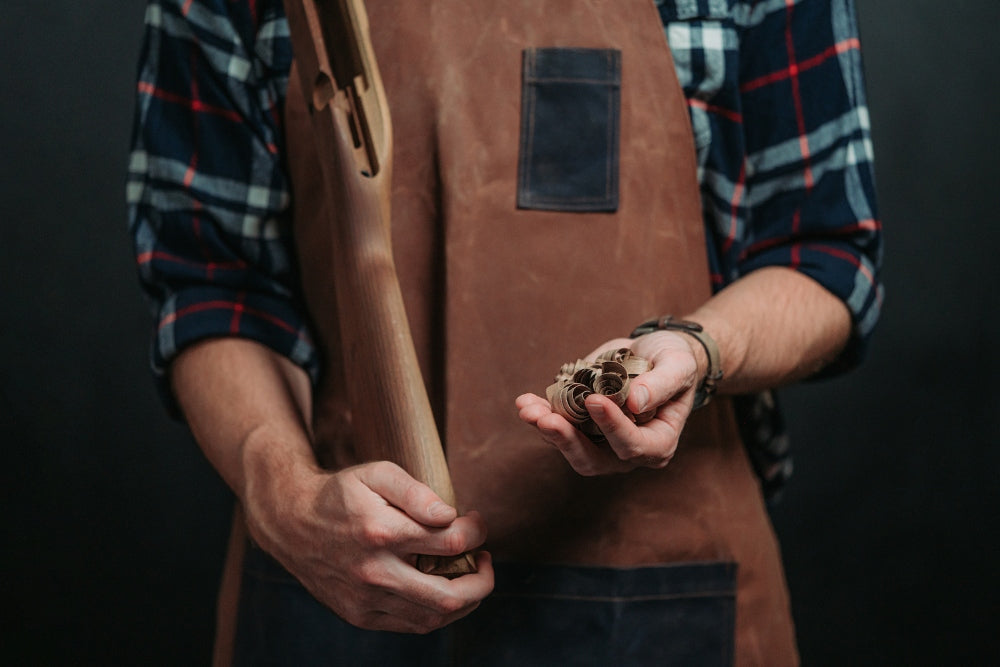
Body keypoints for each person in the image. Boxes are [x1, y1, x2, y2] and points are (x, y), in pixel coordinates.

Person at [127, 0, 882, 664]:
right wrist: (284, 496)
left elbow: (825, 257)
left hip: (668, 603)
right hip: (331, 594)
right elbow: (213, 281)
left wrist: (698, 346)